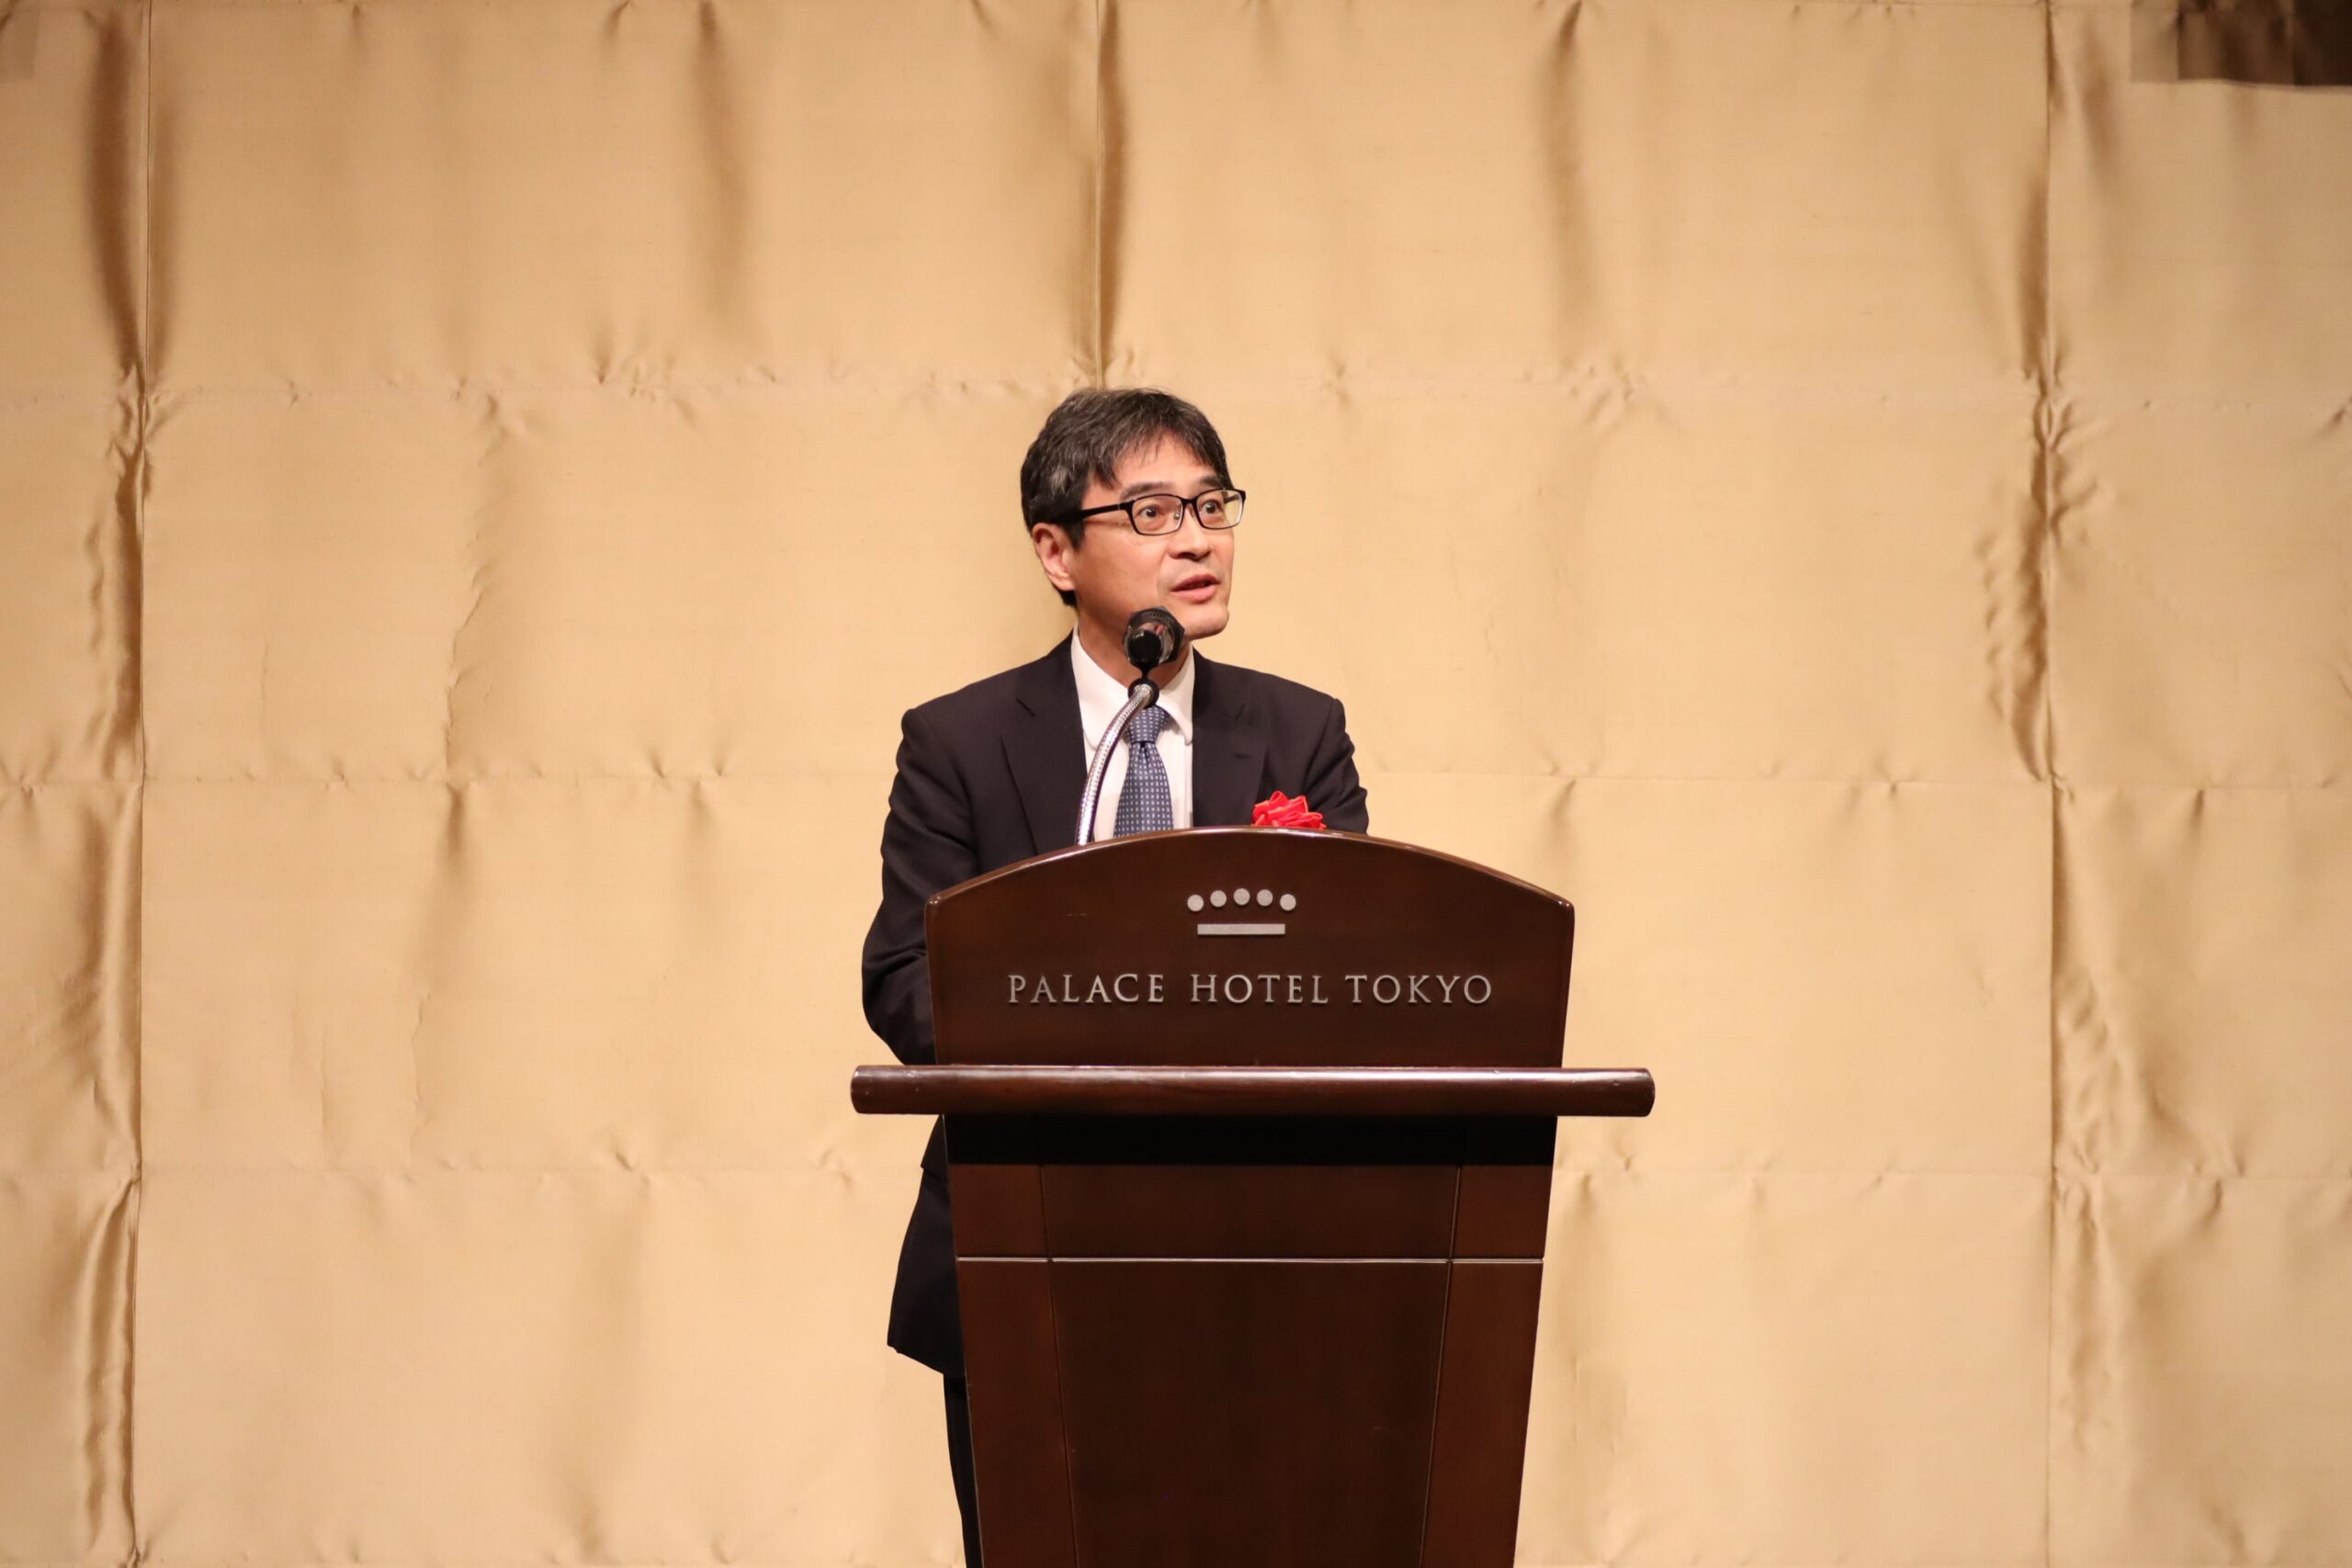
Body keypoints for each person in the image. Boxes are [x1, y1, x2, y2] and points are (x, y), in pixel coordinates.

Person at [859, 387, 1370, 1563]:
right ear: (1056, 551)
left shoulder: (1298, 734)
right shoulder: (960, 742)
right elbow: (905, 982)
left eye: (1211, 505)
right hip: (1022, 1238)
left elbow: (1346, 977)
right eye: (1151, 512)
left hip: (1258, 1250)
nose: (1197, 540)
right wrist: (1094, 1035)